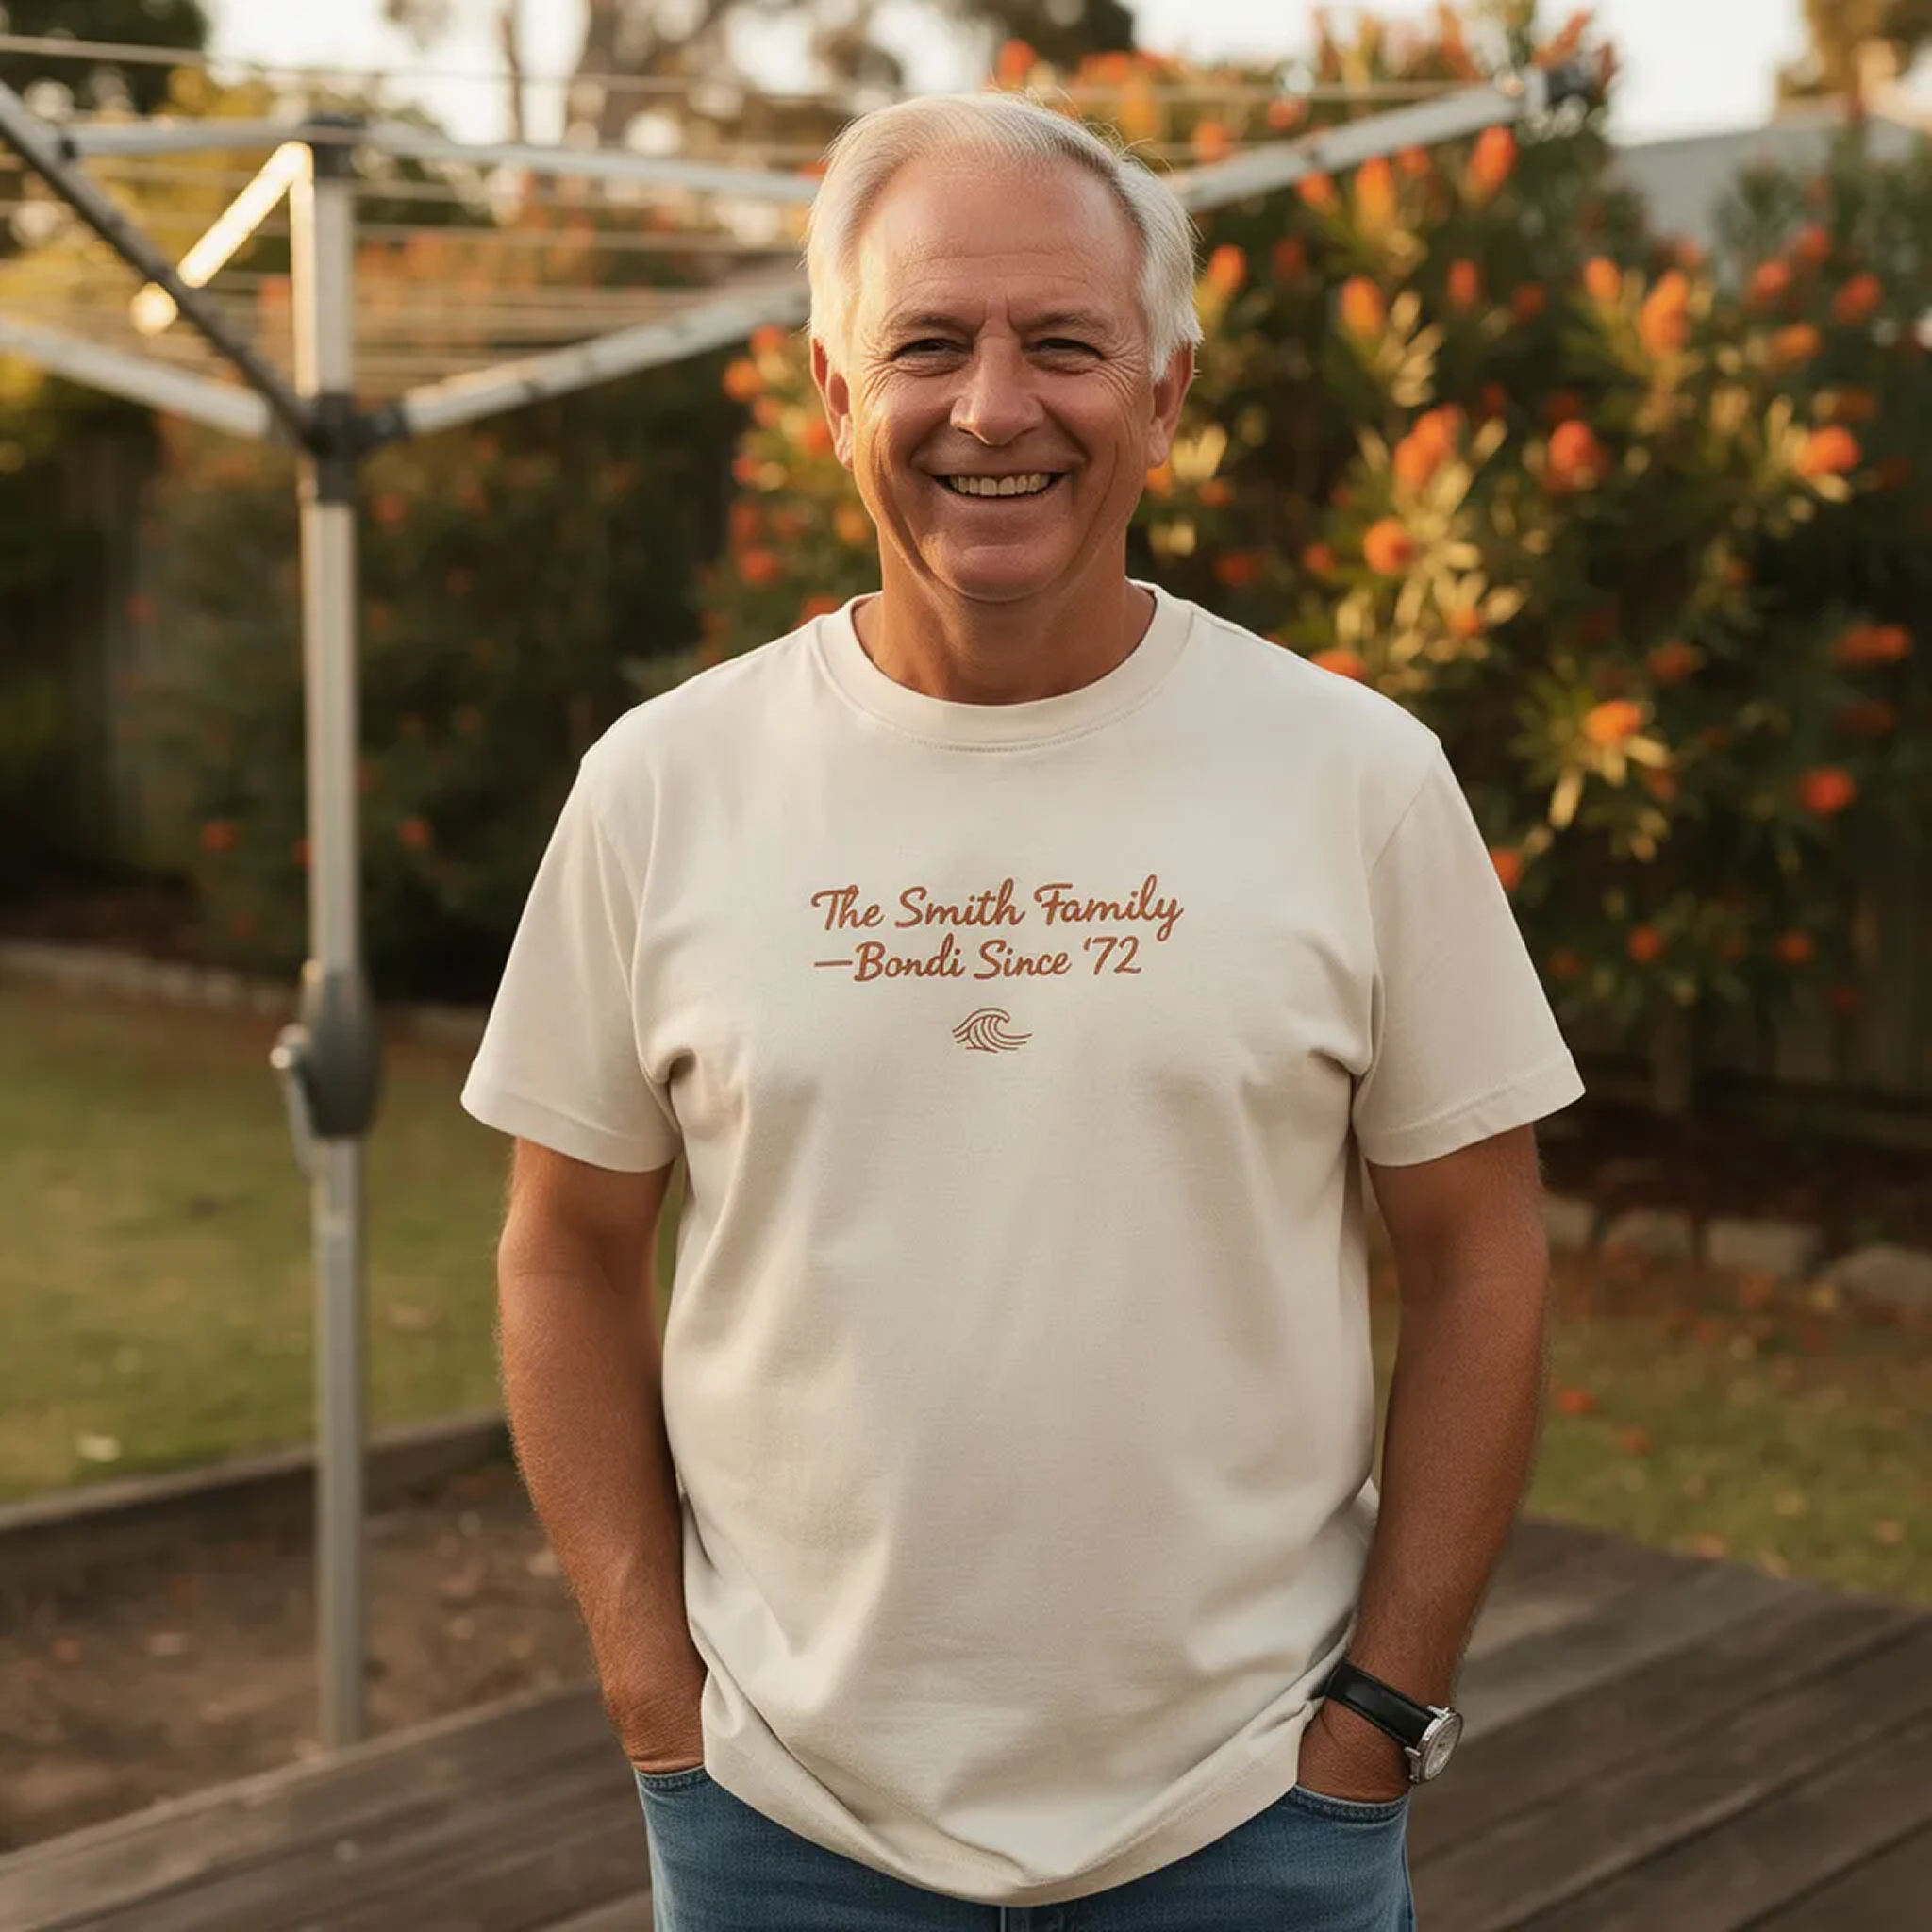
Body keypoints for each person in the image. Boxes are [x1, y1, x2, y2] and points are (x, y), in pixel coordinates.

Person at [461, 89, 1583, 1931]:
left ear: (1161, 393)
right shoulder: (662, 784)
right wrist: (652, 1686)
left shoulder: (1357, 779)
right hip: (775, 1822)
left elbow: (1482, 1259)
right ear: (832, 390)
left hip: (1250, 1823)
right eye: (926, 344)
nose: (993, 407)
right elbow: (561, 1250)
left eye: (1064, 343)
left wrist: (1378, 1718)